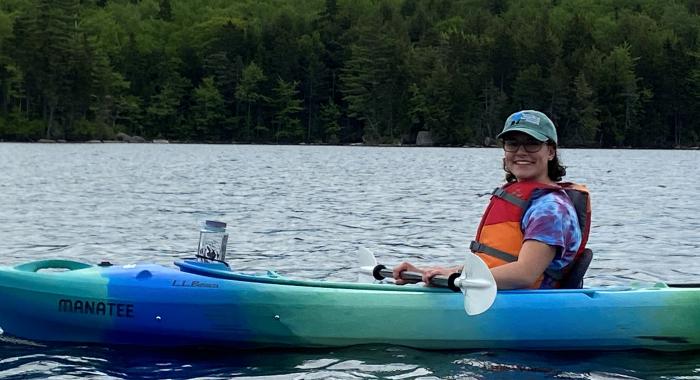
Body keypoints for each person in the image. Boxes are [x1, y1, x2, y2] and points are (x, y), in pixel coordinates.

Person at [393, 110, 591, 289]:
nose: (521, 152)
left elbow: (525, 274)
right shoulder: (530, 202)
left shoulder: (551, 209)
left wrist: (455, 275)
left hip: (525, 307)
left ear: (550, 152)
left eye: (532, 144)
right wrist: (423, 274)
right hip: (496, 297)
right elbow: (494, 265)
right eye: (512, 144)